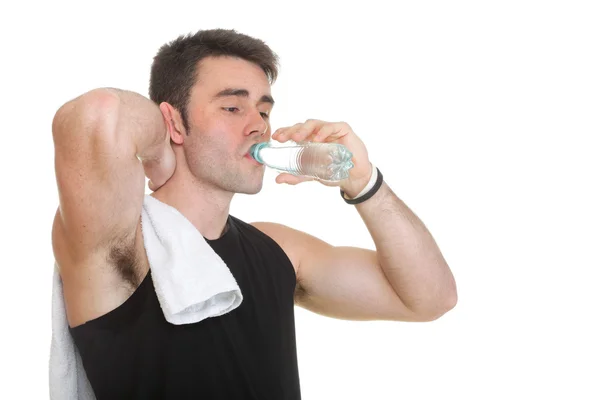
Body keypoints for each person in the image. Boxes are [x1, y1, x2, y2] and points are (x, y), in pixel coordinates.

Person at [51, 28, 457, 399]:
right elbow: (98, 113)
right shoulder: (122, 243)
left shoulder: (278, 249)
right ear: (174, 122)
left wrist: (364, 182)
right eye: (232, 108)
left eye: (263, 111)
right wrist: (158, 149)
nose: (258, 127)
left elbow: (430, 298)